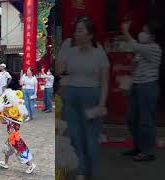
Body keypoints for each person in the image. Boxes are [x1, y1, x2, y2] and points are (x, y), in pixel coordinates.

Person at [59, 16, 110, 180]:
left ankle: (90, 171)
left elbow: (105, 82)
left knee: (90, 138)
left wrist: (102, 104)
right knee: (74, 136)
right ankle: (80, 170)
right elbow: (60, 70)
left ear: (90, 34)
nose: (77, 33)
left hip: (91, 97)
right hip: (71, 96)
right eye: (76, 30)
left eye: (81, 30)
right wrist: (63, 50)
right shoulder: (71, 50)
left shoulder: (99, 53)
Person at [121, 21, 162, 161]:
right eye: (142, 30)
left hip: (148, 87)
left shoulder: (154, 48)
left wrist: (125, 31)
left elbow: (134, 45)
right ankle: (138, 147)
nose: (142, 34)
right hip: (137, 86)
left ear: (153, 36)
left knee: (146, 121)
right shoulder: (142, 49)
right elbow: (136, 69)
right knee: (131, 119)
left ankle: (147, 151)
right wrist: (129, 85)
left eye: (145, 32)